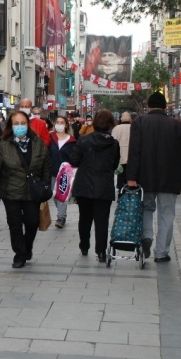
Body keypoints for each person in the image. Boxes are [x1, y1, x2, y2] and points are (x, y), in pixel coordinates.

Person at [127, 92, 181, 263]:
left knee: (146, 208)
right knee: (166, 214)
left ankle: (146, 236)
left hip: (144, 177)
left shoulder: (139, 123)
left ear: (149, 107)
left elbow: (134, 151)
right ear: (165, 107)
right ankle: (161, 253)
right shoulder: (176, 126)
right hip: (170, 177)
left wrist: (131, 176)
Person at [0, 111, 51, 267]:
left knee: (32, 221)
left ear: (28, 124)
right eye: (16, 123)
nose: (20, 126)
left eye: (23, 123)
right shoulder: (4, 145)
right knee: (14, 223)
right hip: (10, 191)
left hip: (32, 191)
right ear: (10, 125)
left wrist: (45, 187)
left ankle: (27, 246)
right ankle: (19, 254)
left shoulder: (38, 143)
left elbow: (46, 167)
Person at [70, 109, 120, 261]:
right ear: (111, 124)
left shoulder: (83, 140)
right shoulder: (114, 144)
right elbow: (115, 164)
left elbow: (74, 161)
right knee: (102, 220)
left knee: (84, 218)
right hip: (104, 186)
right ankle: (101, 251)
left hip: (84, 184)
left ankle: (84, 246)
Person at [49, 116, 76, 228]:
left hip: (65, 173)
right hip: (52, 170)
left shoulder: (71, 140)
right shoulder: (50, 137)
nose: (59, 124)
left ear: (66, 125)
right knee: (54, 194)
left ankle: (61, 217)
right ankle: (61, 214)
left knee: (61, 194)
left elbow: (74, 155)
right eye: (57, 122)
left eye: (62, 122)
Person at [111, 112, 132, 190]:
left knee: (121, 177)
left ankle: (121, 192)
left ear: (121, 119)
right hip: (132, 158)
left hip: (121, 158)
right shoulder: (134, 127)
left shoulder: (116, 128)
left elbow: (113, 142)